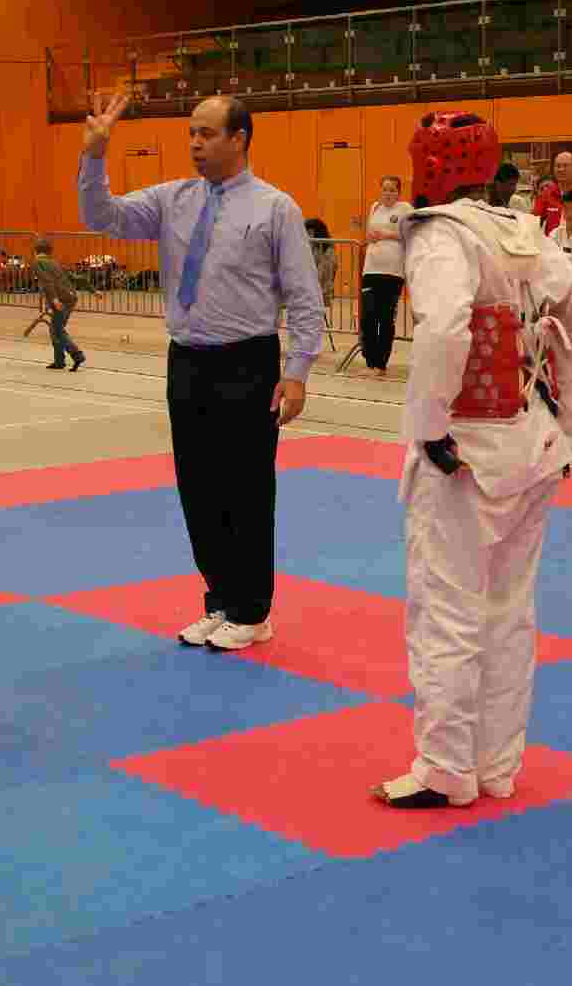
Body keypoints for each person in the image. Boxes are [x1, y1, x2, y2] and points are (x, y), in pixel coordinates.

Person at [374, 109, 572, 810]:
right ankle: (496, 766)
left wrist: (428, 428)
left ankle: (446, 767)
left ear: (428, 165)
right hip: (533, 444)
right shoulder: (525, 231)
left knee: (447, 611)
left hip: (466, 452)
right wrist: (568, 426)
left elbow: (445, 327)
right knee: (508, 614)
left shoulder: (443, 233)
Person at [77, 92, 324, 653]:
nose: (195, 143)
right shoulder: (173, 200)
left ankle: (253, 610)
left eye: (207, 134)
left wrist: (298, 370)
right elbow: (101, 216)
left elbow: (304, 296)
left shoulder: (275, 208)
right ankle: (220, 600)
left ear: (240, 139)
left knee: (246, 491)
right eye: (191, 132)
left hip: (248, 361)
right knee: (199, 490)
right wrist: (94, 155)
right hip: (187, 360)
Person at [360, 175, 412, 375]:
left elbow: (411, 234)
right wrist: (370, 237)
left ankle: (380, 364)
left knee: (385, 317)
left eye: (392, 190)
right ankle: (370, 361)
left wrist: (388, 235)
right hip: (371, 269)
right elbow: (368, 234)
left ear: (398, 192)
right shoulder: (375, 208)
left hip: (392, 272)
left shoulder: (405, 209)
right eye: (385, 189)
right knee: (368, 317)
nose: (388, 193)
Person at [31, 238, 85, 371]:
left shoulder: (37, 263)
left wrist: (54, 299)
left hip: (60, 299)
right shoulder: (54, 262)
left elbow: (46, 281)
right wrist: (94, 291)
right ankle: (59, 361)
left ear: (35, 251)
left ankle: (77, 355)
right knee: (56, 329)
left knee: (57, 331)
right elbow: (74, 277)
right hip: (71, 297)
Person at [533, 150, 572, 235]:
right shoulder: (546, 194)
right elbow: (534, 223)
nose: (561, 169)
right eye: (558, 166)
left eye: (565, 165)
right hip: (551, 241)